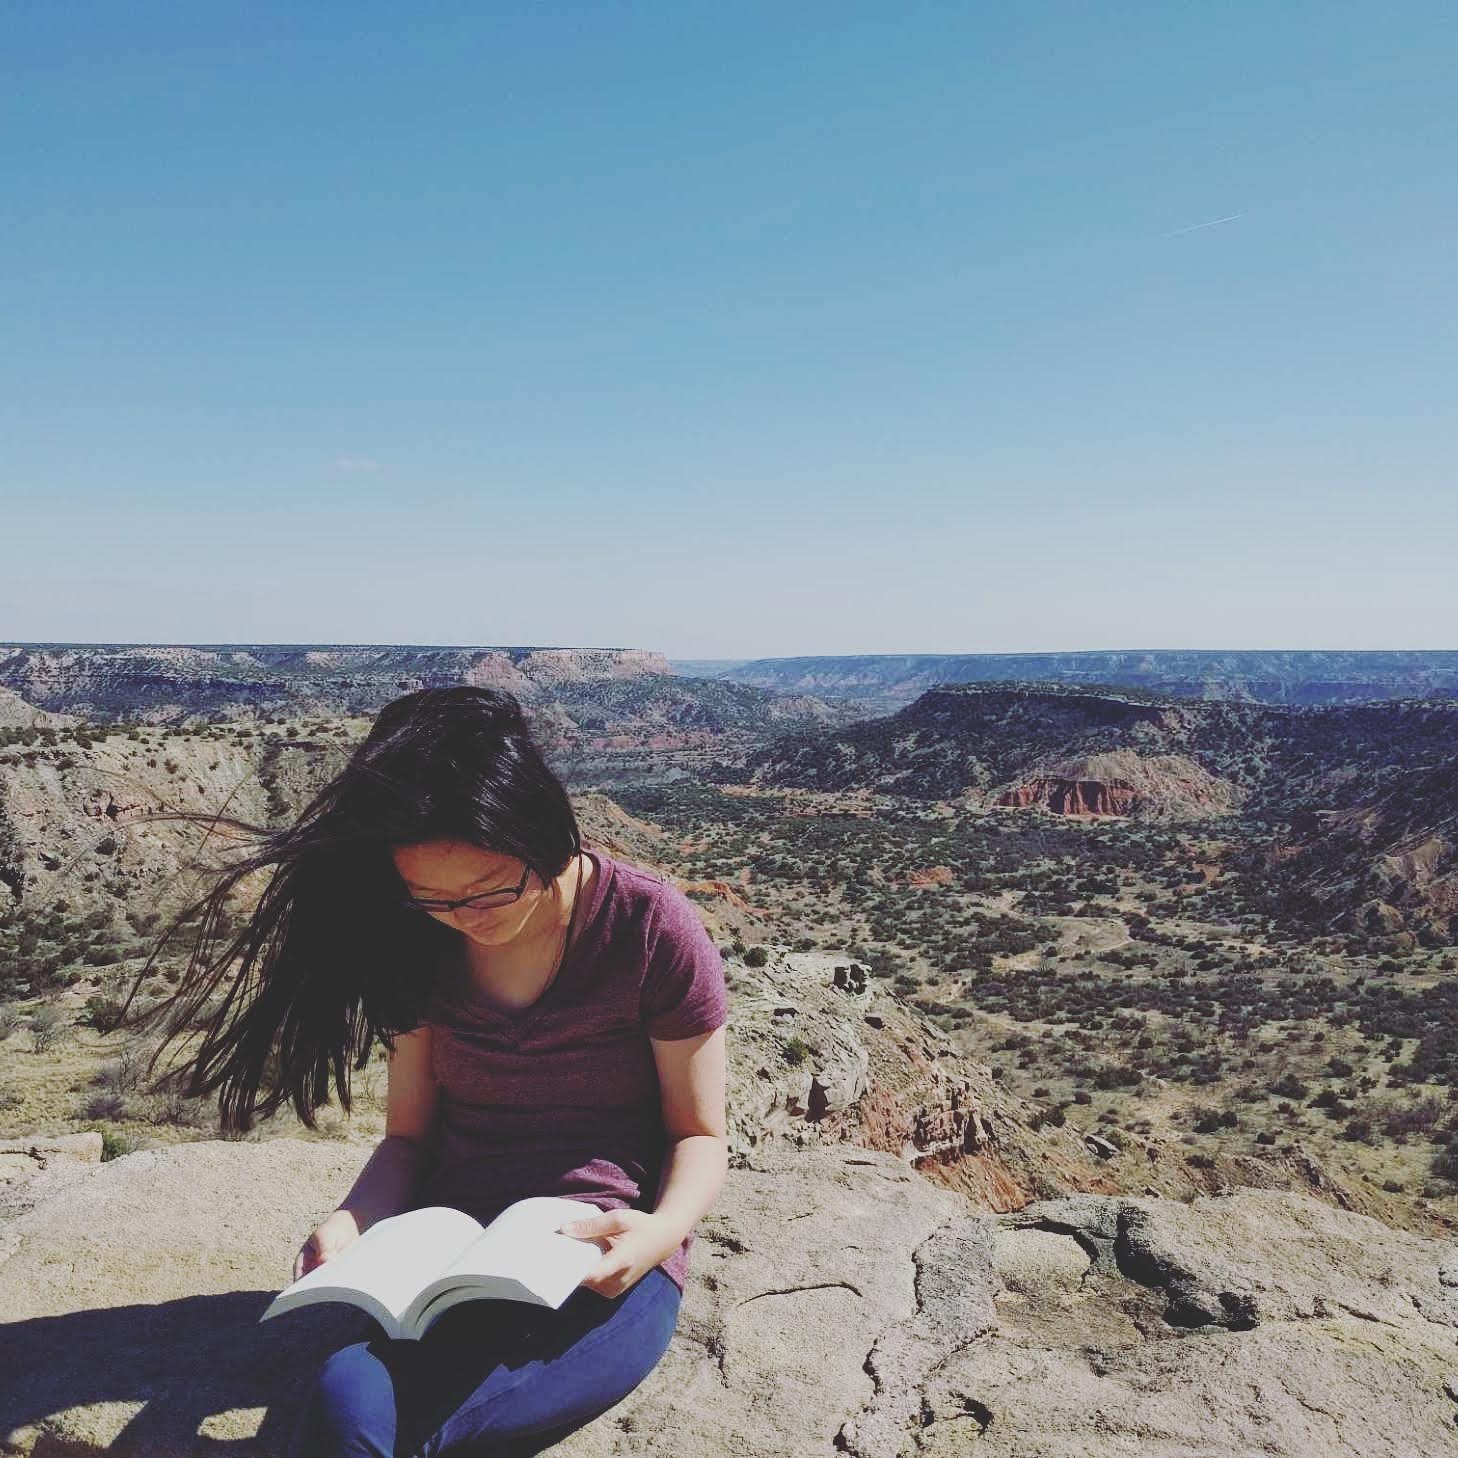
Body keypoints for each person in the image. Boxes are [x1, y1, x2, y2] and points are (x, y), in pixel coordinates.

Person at [116, 686, 730, 1456]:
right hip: (446, 1260)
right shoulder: (415, 942)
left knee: (429, 1429)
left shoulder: (648, 926)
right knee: (347, 1402)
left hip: (599, 1256)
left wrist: (660, 1233)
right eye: (433, 899)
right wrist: (354, 1219)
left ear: (544, 834)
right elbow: (408, 1137)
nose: (466, 919)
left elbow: (699, 1132)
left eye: (490, 889)